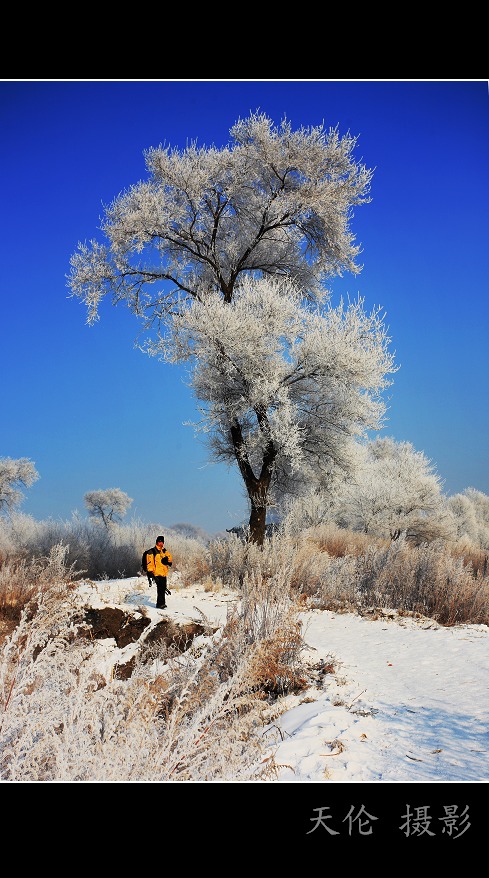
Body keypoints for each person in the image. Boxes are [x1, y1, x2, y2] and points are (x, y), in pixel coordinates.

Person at [145, 535, 173, 609]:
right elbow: (149, 562)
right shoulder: (152, 551)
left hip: (163, 573)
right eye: (159, 542)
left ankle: (162, 603)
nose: (161, 543)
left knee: (163, 588)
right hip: (156, 573)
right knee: (160, 588)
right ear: (157, 542)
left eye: (162, 542)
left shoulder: (164, 551)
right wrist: (150, 571)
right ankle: (160, 604)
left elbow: (170, 558)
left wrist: (167, 560)